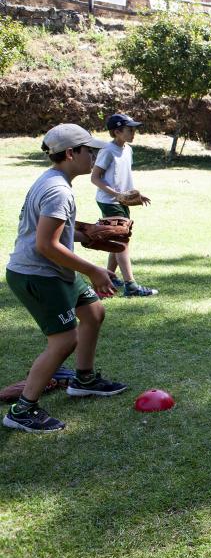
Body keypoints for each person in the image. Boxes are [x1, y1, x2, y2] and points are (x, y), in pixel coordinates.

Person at [4, 124, 127, 434]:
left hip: (54, 269)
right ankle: (23, 410)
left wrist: (87, 233)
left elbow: (52, 232)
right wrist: (93, 270)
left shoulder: (54, 181)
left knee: (93, 312)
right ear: (71, 153)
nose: (94, 156)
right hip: (38, 274)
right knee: (64, 340)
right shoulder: (58, 190)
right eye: (89, 151)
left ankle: (83, 380)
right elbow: (46, 245)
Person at [91, 113, 157, 297]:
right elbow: (95, 178)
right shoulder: (107, 151)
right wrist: (117, 195)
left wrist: (135, 195)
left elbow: (122, 177)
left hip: (121, 201)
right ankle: (131, 285)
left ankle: (110, 277)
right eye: (130, 130)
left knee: (119, 238)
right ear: (117, 132)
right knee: (122, 240)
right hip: (109, 201)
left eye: (134, 130)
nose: (134, 133)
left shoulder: (128, 150)